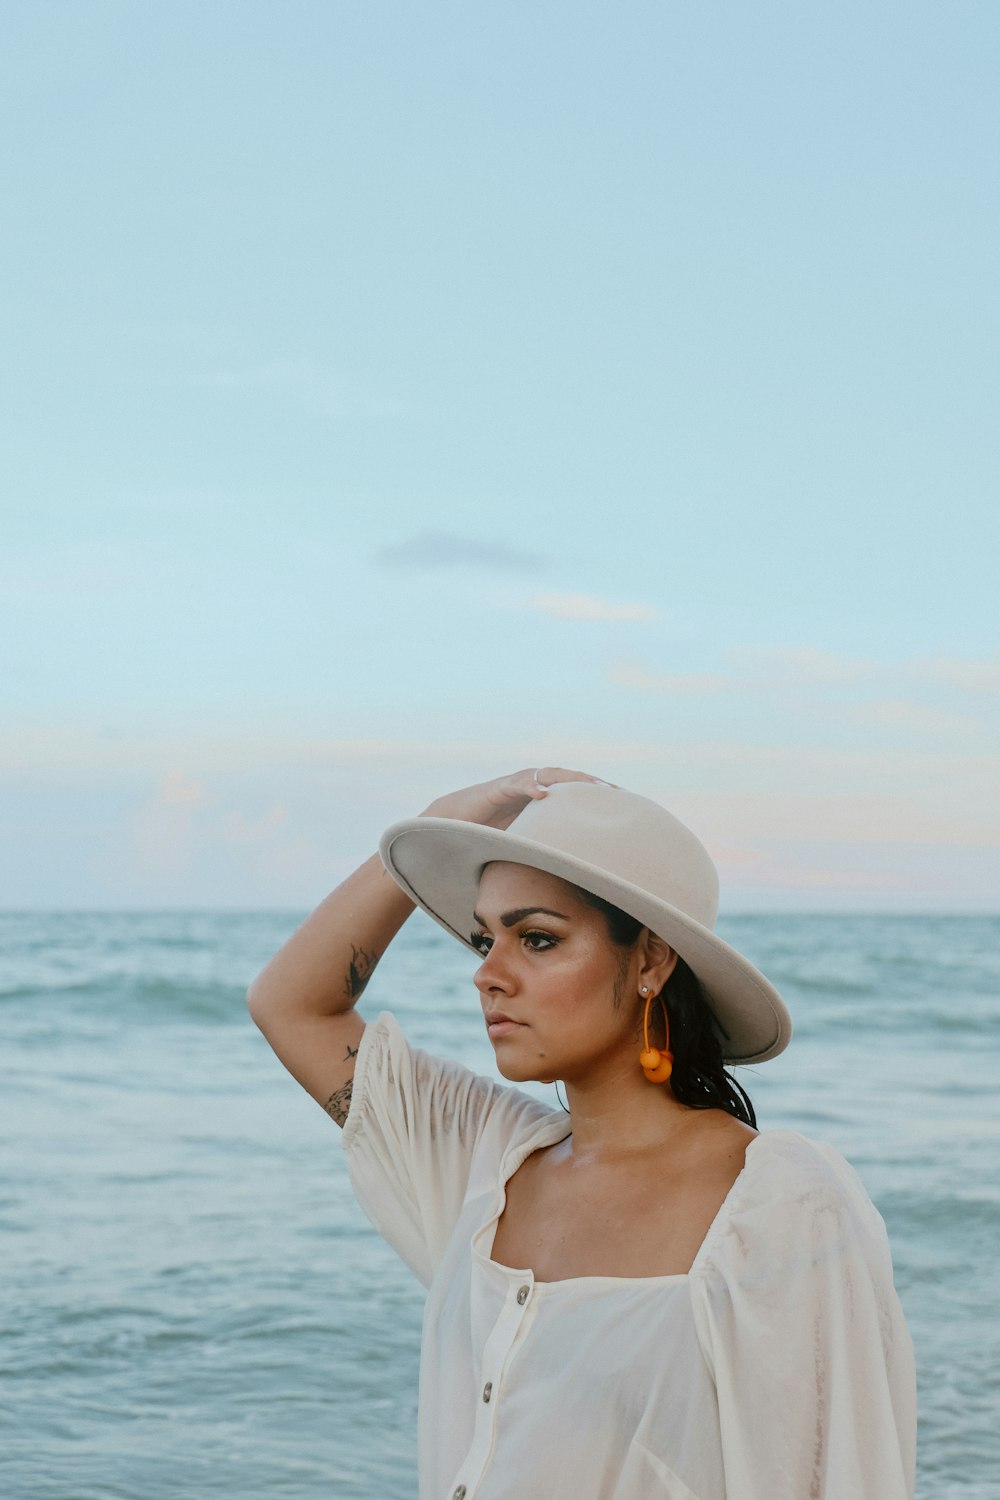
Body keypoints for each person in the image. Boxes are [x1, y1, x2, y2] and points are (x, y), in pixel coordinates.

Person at [248, 766, 917, 1500]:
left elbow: (839, 1476)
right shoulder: (486, 1162)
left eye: (536, 939)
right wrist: (437, 819)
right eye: (483, 941)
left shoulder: (779, 1202)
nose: (488, 975)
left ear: (652, 961)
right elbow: (292, 1005)